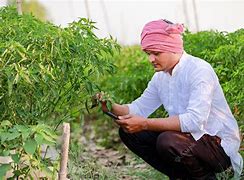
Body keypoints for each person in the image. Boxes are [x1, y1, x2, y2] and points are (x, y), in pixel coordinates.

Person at [98, 19, 243, 179]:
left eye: (156, 53)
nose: (151, 59)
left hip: (218, 146)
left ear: (172, 48)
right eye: (148, 54)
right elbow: (138, 109)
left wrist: (145, 124)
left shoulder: (199, 71)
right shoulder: (160, 77)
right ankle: (180, 176)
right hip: (188, 140)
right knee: (130, 133)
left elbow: (195, 121)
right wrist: (110, 106)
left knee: (167, 140)